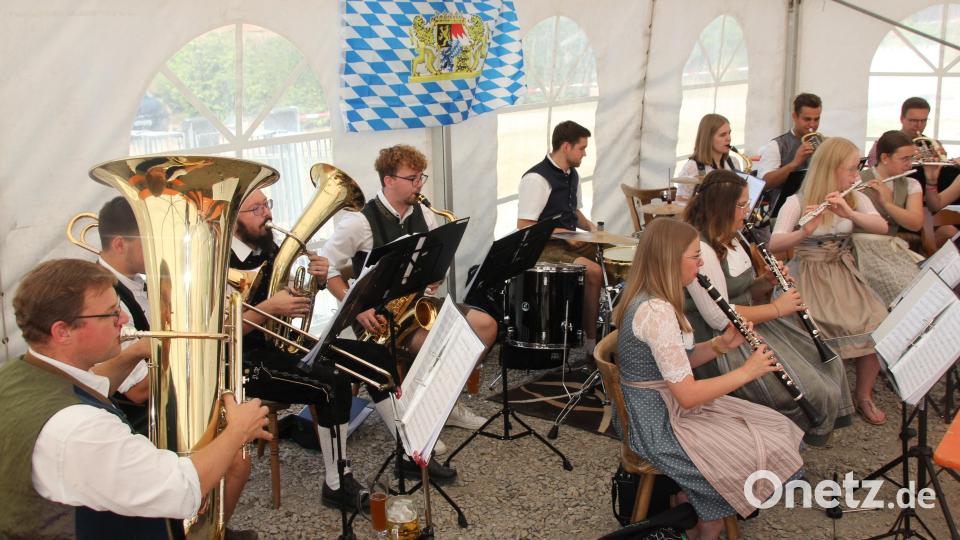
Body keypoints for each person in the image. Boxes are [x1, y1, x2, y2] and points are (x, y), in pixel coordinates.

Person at [0, 259, 269, 539]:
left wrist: (133, 353)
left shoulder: (18, 373)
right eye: (111, 314)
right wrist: (238, 429)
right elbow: (180, 488)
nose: (124, 320)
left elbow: (90, 386)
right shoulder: (81, 430)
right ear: (62, 332)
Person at [230, 189, 441, 509]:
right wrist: (272, 307)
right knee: (332, 381)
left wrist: (314, 279)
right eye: (256, 209)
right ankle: (336, 482)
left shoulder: (268, 246)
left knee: (376, 358)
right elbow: (225, 333)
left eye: (267, 205)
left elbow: (294, 294)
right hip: (244, 361)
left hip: (282, 344)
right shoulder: (221, 264)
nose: (267, 214)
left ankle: (409, 452)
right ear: (234, 222)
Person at [613, 219, 803, 540]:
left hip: (660, 407)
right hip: (657, 423)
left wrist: (719, 345)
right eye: (695, 257)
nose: (701, 264)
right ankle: (706, 520)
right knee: (757, 445)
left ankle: (694, 504)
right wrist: (746, 371)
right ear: (670, 260)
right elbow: (687, 394)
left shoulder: (656, 295)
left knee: (771, 427)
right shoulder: (656, 311)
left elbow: (676, 362)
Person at [322, 144, 498, 433]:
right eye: (412, 178)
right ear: (388, 180)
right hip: (377, 317)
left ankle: (442, 402)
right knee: (441, 343)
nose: (419, 185)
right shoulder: (359, 222)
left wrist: (435, 276)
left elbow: (431, 261)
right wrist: (355, 306)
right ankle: (426, 413)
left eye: (421, 177)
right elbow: (327, 268)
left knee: (486, 326)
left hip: (416, 305)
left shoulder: (424, 214)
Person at [682, 170, 852, 445]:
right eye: (741, 205)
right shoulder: (701, 249)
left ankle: (787, 444)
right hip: (720, 343)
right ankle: (779, 445)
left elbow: (745, 291)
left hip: (749, 325)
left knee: (826, 362)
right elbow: (718, 317)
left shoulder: (735, 236)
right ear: (721, 207)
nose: (747, 211)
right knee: (806, 386)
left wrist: (767, 282)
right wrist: (778, 309)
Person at [768, 137, 891, 426]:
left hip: (841, 269)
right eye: (851, 169)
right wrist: (803, 231)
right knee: (812, 326)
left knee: (877, 319)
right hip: (807, 272)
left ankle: (863, 395)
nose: (856, 175)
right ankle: (819, 397)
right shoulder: (796, 201)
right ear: (831, 169)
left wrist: (848, 213)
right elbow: (773, 244)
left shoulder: (854, 196)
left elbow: (882, 226)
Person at [516, 120, 602, 351]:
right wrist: (564, 234)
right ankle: (591, 344)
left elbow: (573, 211)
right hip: (545, 248)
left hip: (570, 241)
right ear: (566, 146)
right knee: (594, 272)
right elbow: (525, 226)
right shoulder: (536, 179)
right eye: (581, 148)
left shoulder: (572, 175)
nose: (585, 153)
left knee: (621, 260)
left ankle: (617, 330)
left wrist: (594, 230)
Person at [854, 130, 926, 305]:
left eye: (911, 158)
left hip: (891, 248)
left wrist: (887, 203)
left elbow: (915, 223)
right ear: (885, 158)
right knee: (902, 286)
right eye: (905, 159)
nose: (910, 164)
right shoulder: (856, 180)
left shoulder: (911, 184)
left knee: (923, 283)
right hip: (860, 248)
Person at [756, 93, 823, 204]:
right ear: (794, 117)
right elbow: (763, 183)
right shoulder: (777, 145)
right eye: (807, 119)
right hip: (784, 210)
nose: (812, 125)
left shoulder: (823, 142)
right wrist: (795, 163)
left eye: (816, 119)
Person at [675, 114, 740, 200]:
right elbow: (681, 203)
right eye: (722, 135)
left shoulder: (733, 162)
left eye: (729, 133)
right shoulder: (692, 166)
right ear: (708, 138)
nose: (729, 138)